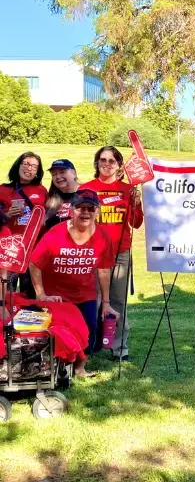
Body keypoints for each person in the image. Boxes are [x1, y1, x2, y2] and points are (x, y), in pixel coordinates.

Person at [28, 189, 118, 377]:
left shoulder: (103, 237)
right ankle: (57, 368)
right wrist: (41, 294)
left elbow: (103, 270)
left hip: (85, 294)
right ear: (71, 210)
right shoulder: (55, 234)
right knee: (59, 334)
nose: (85, 212)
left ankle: (79, 369)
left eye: (90, 208)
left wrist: (106, 303)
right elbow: (34, 264)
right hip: (57, 296)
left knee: (88, 331)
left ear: (97, 211)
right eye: (80, 208)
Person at [80, 146, 144, 360]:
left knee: (118, 302)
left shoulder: (128, 190)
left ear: (119, 165)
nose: (107, 164)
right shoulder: (87, 189)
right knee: (92, 300)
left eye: (112, 161)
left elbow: (136, 223)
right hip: (91, 254)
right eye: (103, 160)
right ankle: (90, 345)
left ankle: (120, 347)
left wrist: (136, 203)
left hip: (120, 253)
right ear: (97, 162)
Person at [0, 152, 48, 297]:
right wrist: (7, 215)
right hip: (10, 250)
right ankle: (5, 318)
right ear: (18, 165)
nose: (29, 168)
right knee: (6, 293)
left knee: (30, 294)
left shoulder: (42, 190)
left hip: (33, 249)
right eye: (26, 163)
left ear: (38, 171)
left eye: (34, 166)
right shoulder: (3, 190)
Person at [44, 159, 80, 232]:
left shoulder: (86, 194)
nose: (58, 177)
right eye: (54, 174)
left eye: (62, 172)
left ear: (74, 173)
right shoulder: (52, 200)